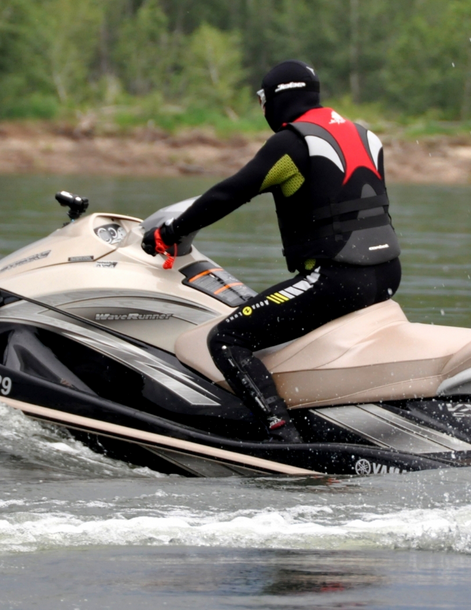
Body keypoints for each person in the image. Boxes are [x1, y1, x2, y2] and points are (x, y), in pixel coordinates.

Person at [142, 60, 402, 442]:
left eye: (262, 99)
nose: (262, 107)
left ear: (277, 98)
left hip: (336, 280)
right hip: (387, 274)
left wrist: (170, 232)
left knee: (226, 339)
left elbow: (230, 193)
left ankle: (280, 433)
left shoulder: (292, 144)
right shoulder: (365, 135)